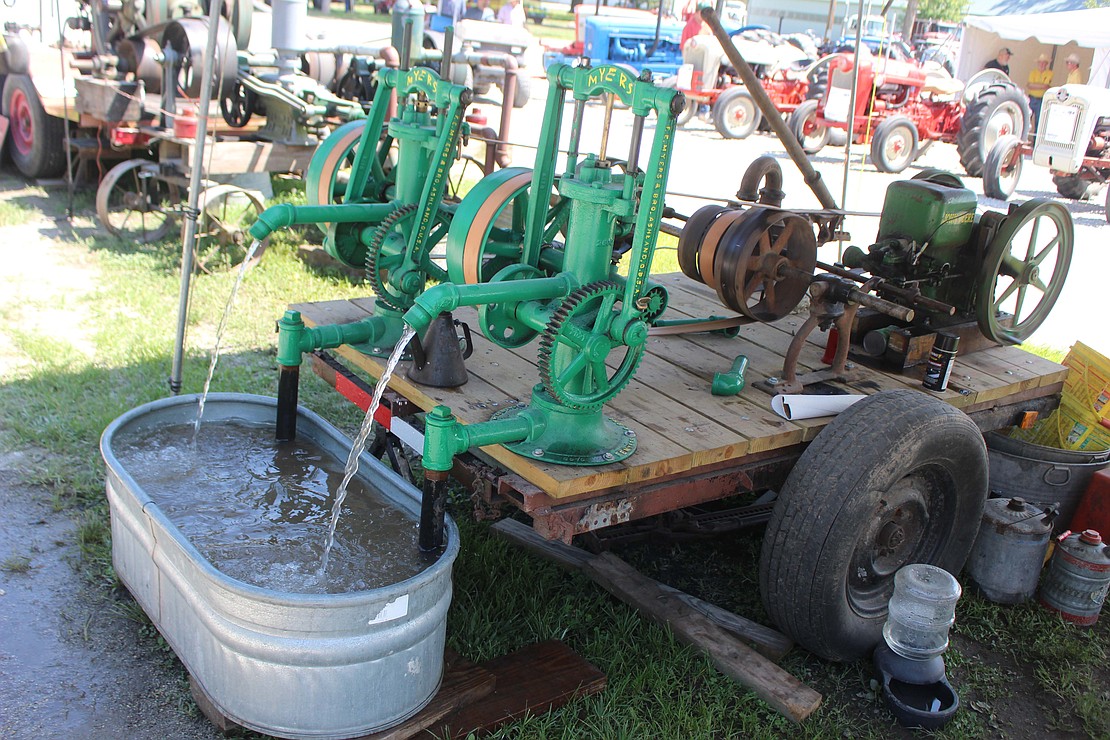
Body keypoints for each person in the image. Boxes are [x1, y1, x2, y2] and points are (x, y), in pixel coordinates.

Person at [1026, 53, 1053, 133]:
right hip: (1032, 97)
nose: (1041, 64)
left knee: (1038, 121)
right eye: (1040, 62)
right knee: (1027, 119)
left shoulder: (1049, 73)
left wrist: (1034, 85)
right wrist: (1042, 86)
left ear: (1046, 64)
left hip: (1041, 99)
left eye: (1043, 62)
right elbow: (1030, 85)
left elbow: (1044, 85)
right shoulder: (1033, 72)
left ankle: (1035, 141)